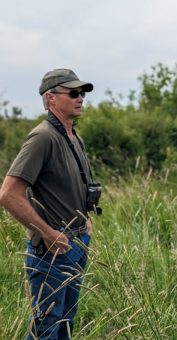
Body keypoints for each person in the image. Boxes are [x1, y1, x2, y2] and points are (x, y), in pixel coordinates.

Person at [0, 69, 101, 339]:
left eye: (82, 93)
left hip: (77, 242)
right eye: (73, 93)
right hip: (53, 248)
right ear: (51, 98)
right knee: (46, 327)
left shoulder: (72, 136)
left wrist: (84, 221)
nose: (81, 98)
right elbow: (8, 193)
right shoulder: (43, 137)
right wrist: (48, 234)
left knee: (66, 322)